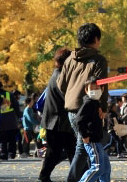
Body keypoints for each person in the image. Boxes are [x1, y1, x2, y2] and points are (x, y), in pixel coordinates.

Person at [57, 23, 108, 182]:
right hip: (89, 109)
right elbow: (102, 85)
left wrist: (73, 94)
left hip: (72, 110)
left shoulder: (70, 58)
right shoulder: (98, 59)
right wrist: (103, 108)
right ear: (95, 39)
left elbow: (61, 85)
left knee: (87, 148)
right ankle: (73, 180)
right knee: (84, 148)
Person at [38, 48, 76, 182]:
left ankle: (77, 176)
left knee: (68, 151)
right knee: (56, 152)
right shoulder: (61, 77)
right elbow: (69, 97)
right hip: (58, 122)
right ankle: (44, 176)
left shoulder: (58, 74)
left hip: (57, 121)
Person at [75, 77, 111, 182]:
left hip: (97, 141)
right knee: (98, 168)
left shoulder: (95, 103)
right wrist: (85, 136)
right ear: (86, 90)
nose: (95, 90)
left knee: (105, 168)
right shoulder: (88, 103)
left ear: (102, 89)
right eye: (92, 88)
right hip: (92, 140)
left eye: (97, 88)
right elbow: (79, 120)